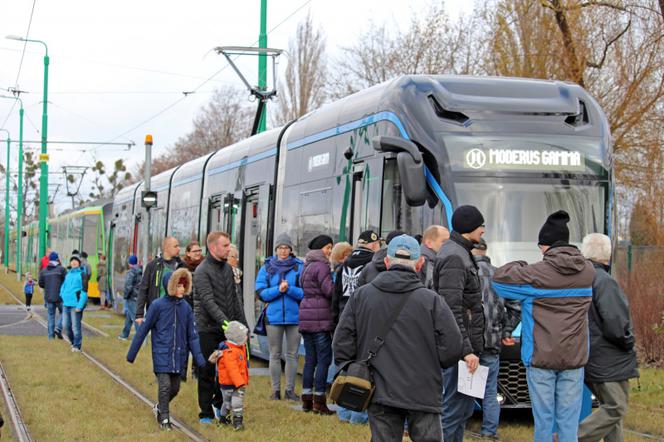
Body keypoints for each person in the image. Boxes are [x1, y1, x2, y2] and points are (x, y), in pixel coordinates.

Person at [333, 234, 463, 442]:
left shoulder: (361, 296)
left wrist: (354, 368)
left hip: (379, 389)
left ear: (386, 262)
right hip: (424, 389)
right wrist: (433, 364)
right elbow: (453, 347)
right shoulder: (432, 301)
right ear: (419, 264)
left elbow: (342, 342)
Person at [492, 210, 595, 442]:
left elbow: (499, 280)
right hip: (574, 358)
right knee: (569, 421)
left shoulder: (536, 273)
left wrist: (520, 262)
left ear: (545, 246)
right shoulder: (587, 272)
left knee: (544, 422)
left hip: (540, 359)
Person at [127, 268, 207, 431]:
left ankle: (159, 407)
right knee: (164, 386)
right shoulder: (157, 306)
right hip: (161, 354)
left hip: (179, 356)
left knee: (175, 388)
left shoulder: (186, 308)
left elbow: (192, 336)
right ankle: (164, 418)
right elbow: (143, 329)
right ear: (170, 287)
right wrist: (131, 354)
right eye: (178, 286)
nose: (182, 290)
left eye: (184, 286)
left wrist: (200, 360)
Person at [578, 233, 639, 442]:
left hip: (587, 353)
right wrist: (629, 342)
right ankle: (572, 438)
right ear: (607, 254)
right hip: (608, 358)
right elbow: (616, 324)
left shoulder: (580, 279)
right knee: (616, 407)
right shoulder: (604, 281)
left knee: (610, 410)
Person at [435, 205, 486, 442]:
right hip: (458, 350)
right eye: (481, 225)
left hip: (463, 348)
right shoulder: (455, 256)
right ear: (469, 227)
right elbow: (450, 308)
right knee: (453, 409)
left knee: (462, 409)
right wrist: (465, 350)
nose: (484, 230)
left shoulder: (459, 251)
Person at [194, 231, 247, 423]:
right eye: (225, 246)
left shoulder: (227, 269)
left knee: (227, 371)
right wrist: (227, 323)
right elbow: (208, 302)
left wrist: (242, 326)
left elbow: (235, 300)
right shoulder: (201, 271)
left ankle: (220, 404)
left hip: (227, 329)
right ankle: (205, 412)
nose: (229, 249)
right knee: (207, 371)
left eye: (228, 245)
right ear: (213, 247)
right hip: (207, 328)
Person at [472, 238, 521, 440]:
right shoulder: (499, 275)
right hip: (492, 342)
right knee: (490, 391)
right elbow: (516, 307)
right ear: (485, 250)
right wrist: (505, 331)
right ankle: (489, 432)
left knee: (463, 388)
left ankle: (455, 427)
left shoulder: (466, 272)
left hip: (468, 343)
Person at [256, 233, 304, 401]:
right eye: (280, 248)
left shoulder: (299, 267)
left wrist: (289, 289)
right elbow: (260, 293)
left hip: (295, 318)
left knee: (292, 354)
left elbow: (305, 293)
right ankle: (275, 391)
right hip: (273, 319)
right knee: (274, 354)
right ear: (276, 249)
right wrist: (279, 290)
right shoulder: (266, 268)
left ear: (290, 250)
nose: (283, 251)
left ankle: (290, 391)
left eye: (286, 248)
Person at [299, 234, 335, 415]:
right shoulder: (322, 266)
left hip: (306, 315)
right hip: (320, 317)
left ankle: (306, 399)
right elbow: (329, 290)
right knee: (324, 359)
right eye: (328, 247)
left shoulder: (307, 266)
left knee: (310, 360)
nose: (330, 251)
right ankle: (319, 401)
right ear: (321, 248)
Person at [332, 230, 380, 328]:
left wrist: (334, 321)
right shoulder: (374, 263)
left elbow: (336, 294)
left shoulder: (344, 263)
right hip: (364, 319)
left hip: (343, 316)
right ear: (375, 245)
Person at [209, 321, 250, 431]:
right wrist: (240, 383)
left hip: (226, 384)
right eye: (244, 336)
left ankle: (223, 420)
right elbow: (233, 370)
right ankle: (237, 422)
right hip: (234, 384)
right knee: (237, 403)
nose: (246, 338)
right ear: (237, 338)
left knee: (226, 403)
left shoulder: (236, 348)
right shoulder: (231, 352)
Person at [135, 236, 184, 325]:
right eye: (175, 246)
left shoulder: (181, 266)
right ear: (166, 247)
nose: (179, 249)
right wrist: (139, 314)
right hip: (157, 314)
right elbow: (143, 290)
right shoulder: (152, 266)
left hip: (177, 314)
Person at [60, 254, 89, 352]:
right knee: (65, 325)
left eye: (76, 260)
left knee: (75, 326)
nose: (73, 262)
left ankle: (77, 345)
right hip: (66, 304)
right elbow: (63, 287)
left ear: (79, 263)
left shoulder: (82, 274)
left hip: (76, 305)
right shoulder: (68, 274)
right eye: (72, 260)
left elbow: (84, 292)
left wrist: (79, 306)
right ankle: (72, 342)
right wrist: (62, 295)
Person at [38, 251, 66, 340]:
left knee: (51, 316)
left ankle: (51, 337)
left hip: (49, 297)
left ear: (49, 260)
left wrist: (48, 286)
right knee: (64, 312)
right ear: (57, 259)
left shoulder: (44, 271)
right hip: (60, 297)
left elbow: (41, 284)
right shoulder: (62, 269)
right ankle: (58, 328)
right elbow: (66, 282)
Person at [119, 255, 142, 341]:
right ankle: (124, 334)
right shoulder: (140, 270)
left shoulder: (131, 272)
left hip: (132, 297)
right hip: (138, 296)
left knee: (135, 317)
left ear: (129, 263)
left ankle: (140, 336)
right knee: (129, 316)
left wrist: (125, 295)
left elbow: (128, 285)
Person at [419, 225, 449, 290]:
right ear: (429, 243)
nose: (448, 245)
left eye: (449, 242)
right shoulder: (426, 262)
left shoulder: (429, 259)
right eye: (444, 241)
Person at [182, 241, 204, 309]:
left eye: (199, 250)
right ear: (188, 253)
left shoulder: (206, 265)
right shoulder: (183, 267)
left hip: (203, 302)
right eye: (195, 251)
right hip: (188, 303)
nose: (198, 253)